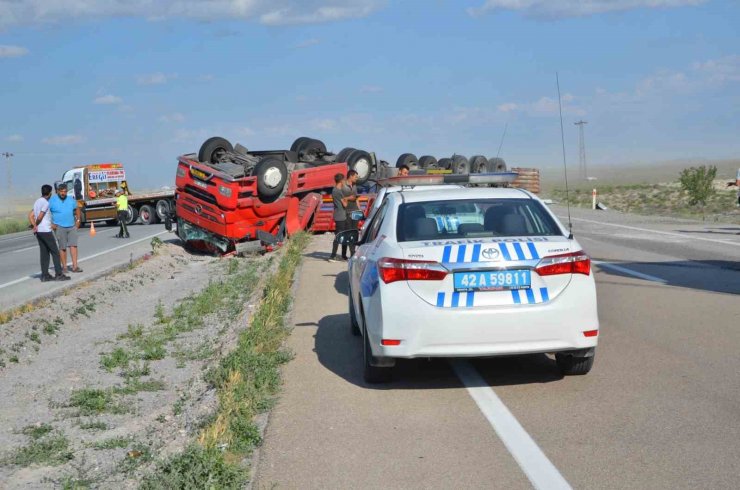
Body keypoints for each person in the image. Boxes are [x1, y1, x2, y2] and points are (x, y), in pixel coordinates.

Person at [28, 185, 69, 282]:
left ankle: (45, 275)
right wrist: (36, 225)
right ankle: (59, 274)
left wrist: (34, 226)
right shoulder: (45, 203)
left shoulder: (37, 201)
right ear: (50, 193)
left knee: (44, 253)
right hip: (45, 230)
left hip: (39, 232)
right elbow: (40, 217)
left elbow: (30, 216)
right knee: (55, 252)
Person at [49, 183, 83, 274]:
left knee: (73, 245)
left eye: (65, 191)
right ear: (58, 192)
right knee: (62, 247)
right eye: (62, 192)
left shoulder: (71, 200)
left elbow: (77, 209)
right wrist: (51, 224)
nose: (63, 193)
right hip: (59, 227)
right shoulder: (52, 201)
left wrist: (78, 220)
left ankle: (75, 266)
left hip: (71, 226)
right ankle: (64, 267)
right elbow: (46, 212)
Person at [329, 173, 350, 262]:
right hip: (341, 216)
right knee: (339, 236)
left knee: (343, 235)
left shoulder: (335, 190)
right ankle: (333, 256)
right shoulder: (338, 191)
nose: (345, 181)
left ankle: (343, 256)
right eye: (344, 180)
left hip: (340, 215)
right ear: (341, 180)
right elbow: (345, 204)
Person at [341, 169, 360, 257]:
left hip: (355, 212)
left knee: (354, 232)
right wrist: (348, 198)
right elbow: (341, 199)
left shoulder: (355, 185)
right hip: (346, 212)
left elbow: (356, 199)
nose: (357, 178)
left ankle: (352, 252)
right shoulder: (342, 186)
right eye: (355, 177)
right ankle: (346, 253)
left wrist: (360, 210)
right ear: (351, 176)